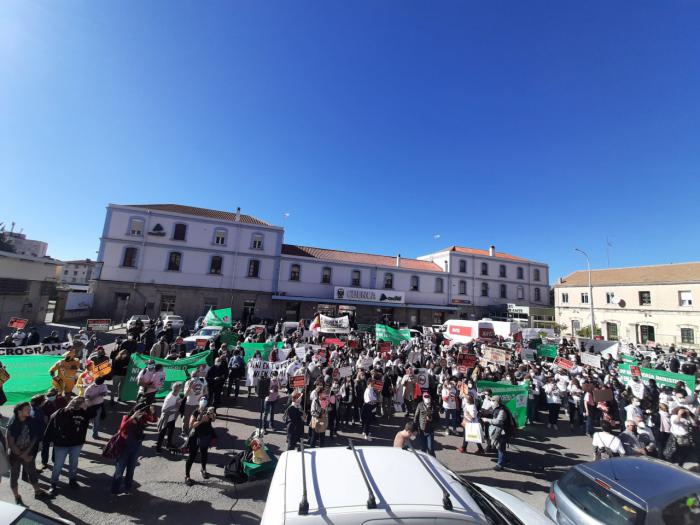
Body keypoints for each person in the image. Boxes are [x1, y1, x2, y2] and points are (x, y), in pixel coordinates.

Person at [6, 402, 51, 505]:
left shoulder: (31, 421)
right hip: (14, 455)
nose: (30, 410)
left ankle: (37, 492)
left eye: (29, 408)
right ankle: (17, 497)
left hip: (27, 451)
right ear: (19, 411)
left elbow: (34, 437)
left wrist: (27, 453)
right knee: (14, 476)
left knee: (32, 473)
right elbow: (11, 444)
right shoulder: (12, 424)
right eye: (27, 409)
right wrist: (23, 455)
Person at [46, 396, 90, 494]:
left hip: (77, 443)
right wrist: (66, 408)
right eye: (84, 402)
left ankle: (72, 480)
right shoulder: (63, 412)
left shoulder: (84, 413)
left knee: (73, 463)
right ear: (79, 403)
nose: (86, 404)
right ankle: (53, 484)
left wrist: (85, 410)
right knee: (58, 465)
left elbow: (86, 424)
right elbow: (53, 418)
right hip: (62, 444)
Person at [111, 403, 156, 495]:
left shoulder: (143, 418)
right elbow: (122, 427)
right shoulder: (126, 417)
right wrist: (132, 418)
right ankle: (115, 489)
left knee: (131, 469)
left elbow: (154, 420)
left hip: (136, 447)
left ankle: (127, 487)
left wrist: (152, 412)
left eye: (143, 412)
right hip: (124, 447)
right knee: (119, 469)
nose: (142, 414)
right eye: (140, 412)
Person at [185, 406, 217, 486]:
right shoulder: (195, 412)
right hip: (195, 437)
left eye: (205, 406)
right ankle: (187, 476)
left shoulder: (208, 411)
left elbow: (213, 420)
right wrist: (201, 420)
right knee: (192, 456)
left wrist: (212, 415)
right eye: (202, 407)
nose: (204, 409)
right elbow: (191, 425)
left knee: (204, 453)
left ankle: (203, 469)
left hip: (205, 436)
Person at [482, 396, 508, 471]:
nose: (491, 402)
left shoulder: (502, 411)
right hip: (498, 431)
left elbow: (498, 421)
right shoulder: (496, 408)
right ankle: (503, 459)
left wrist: (487, 420)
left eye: (493, 401)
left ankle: (500, 464)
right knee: (501, 447)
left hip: (502, 432)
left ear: (497, 402)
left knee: (500, 448)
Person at [156, 382, 183, 453]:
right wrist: (175, 407)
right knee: (162, 433)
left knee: (171, 432)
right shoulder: (169, 398)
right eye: (180, 388)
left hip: (172, 418)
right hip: (166, 418)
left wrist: (178, 403)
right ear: (177, 389)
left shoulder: (176, 394)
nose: (181, 389)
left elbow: (177, 401)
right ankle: (158, 448)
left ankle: (169, 444)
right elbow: (163, 410)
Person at [182, 366, 208, 437]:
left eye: (196, 375)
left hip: (199, 404)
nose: (195, 377)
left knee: (198, 418)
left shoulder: (203, 380)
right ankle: (185, 432)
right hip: (189, 403)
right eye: (193, 375)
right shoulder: (188, 382)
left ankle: (194, 432)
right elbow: (185, 395)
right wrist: (190, 387)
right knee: (186, 419)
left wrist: (203, 399)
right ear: (191, 376)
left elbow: (206, 391)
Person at [414, 392, 440, 457]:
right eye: (425, 397)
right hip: (422, 430)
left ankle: (434, 462)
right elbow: (416, 417)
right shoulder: (420, 405)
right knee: (423, 448)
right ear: (423, 397)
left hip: (430, 430)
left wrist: (432, 419)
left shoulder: (433, 406)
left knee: (430, 448)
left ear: (430, 397)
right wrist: (414, 428)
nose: (427, 398)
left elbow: (437, 418)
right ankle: (424, 463)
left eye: (428, 396)